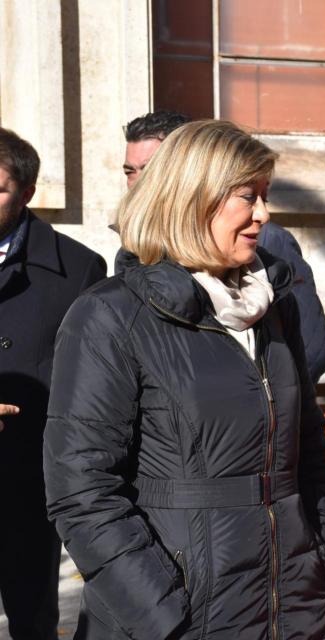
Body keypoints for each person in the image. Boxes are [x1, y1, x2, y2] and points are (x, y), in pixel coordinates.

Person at [44, 120, 325, 639]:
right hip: (177, 617)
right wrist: (158, 611)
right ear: (193, 197)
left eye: (265, 196)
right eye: (247, 197)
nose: (263, 214)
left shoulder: (275, 308)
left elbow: (308, 446)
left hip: (291, 605)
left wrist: (323, 554)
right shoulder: (110, 315)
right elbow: (81, 487)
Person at [121, 110, 325, 383]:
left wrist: (252, 395)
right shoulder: (121, 280)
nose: (140, 181)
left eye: (151, 168)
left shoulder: (265, 246)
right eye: (130, 171)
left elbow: (310, 352)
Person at [0, 127, 106, 639]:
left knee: (33, 618)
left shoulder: (79, 269)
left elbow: (91, 382)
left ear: (26, 193)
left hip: (29, 478)